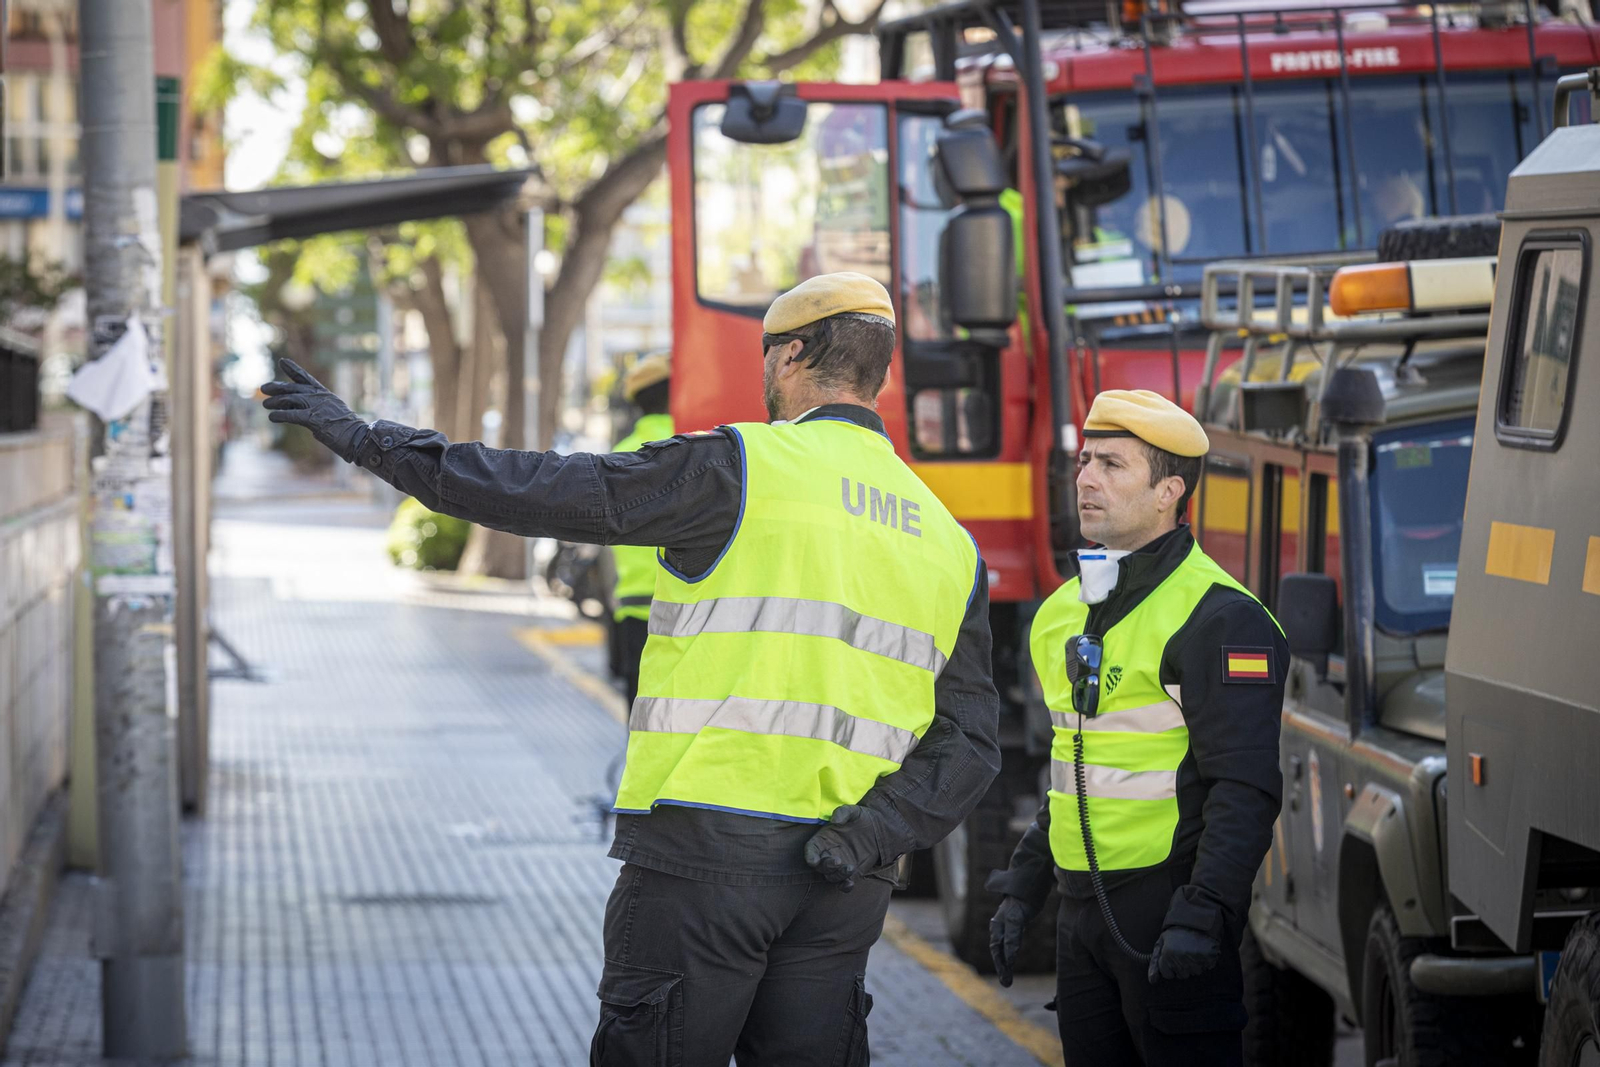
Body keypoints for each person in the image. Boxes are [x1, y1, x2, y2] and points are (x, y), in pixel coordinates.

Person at [260, 271, 1002, 1066]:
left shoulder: (738, 468)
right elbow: (970, 744)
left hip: (705, 860)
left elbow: (542, 491)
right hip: (847, 881)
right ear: (877, 372)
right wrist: (867, 839)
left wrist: (372, 440)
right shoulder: (948, 540)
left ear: (790, 356)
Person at [987, 390, 1287, 1067]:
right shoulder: (1060, 612)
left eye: (1113, 465)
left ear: (1168, 492)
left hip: (1171, 919)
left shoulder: (1219, 618)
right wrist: (1024, 885)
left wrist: (1204, 911)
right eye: (1086, 459)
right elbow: (1077, 766)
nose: (1086, 478)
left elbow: (1243, 790)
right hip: (1081, 919)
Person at [607, 352, 673, 706]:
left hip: (633, 611)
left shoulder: (620, 455)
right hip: (688, 612)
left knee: (639, 721)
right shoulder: (698, 444)